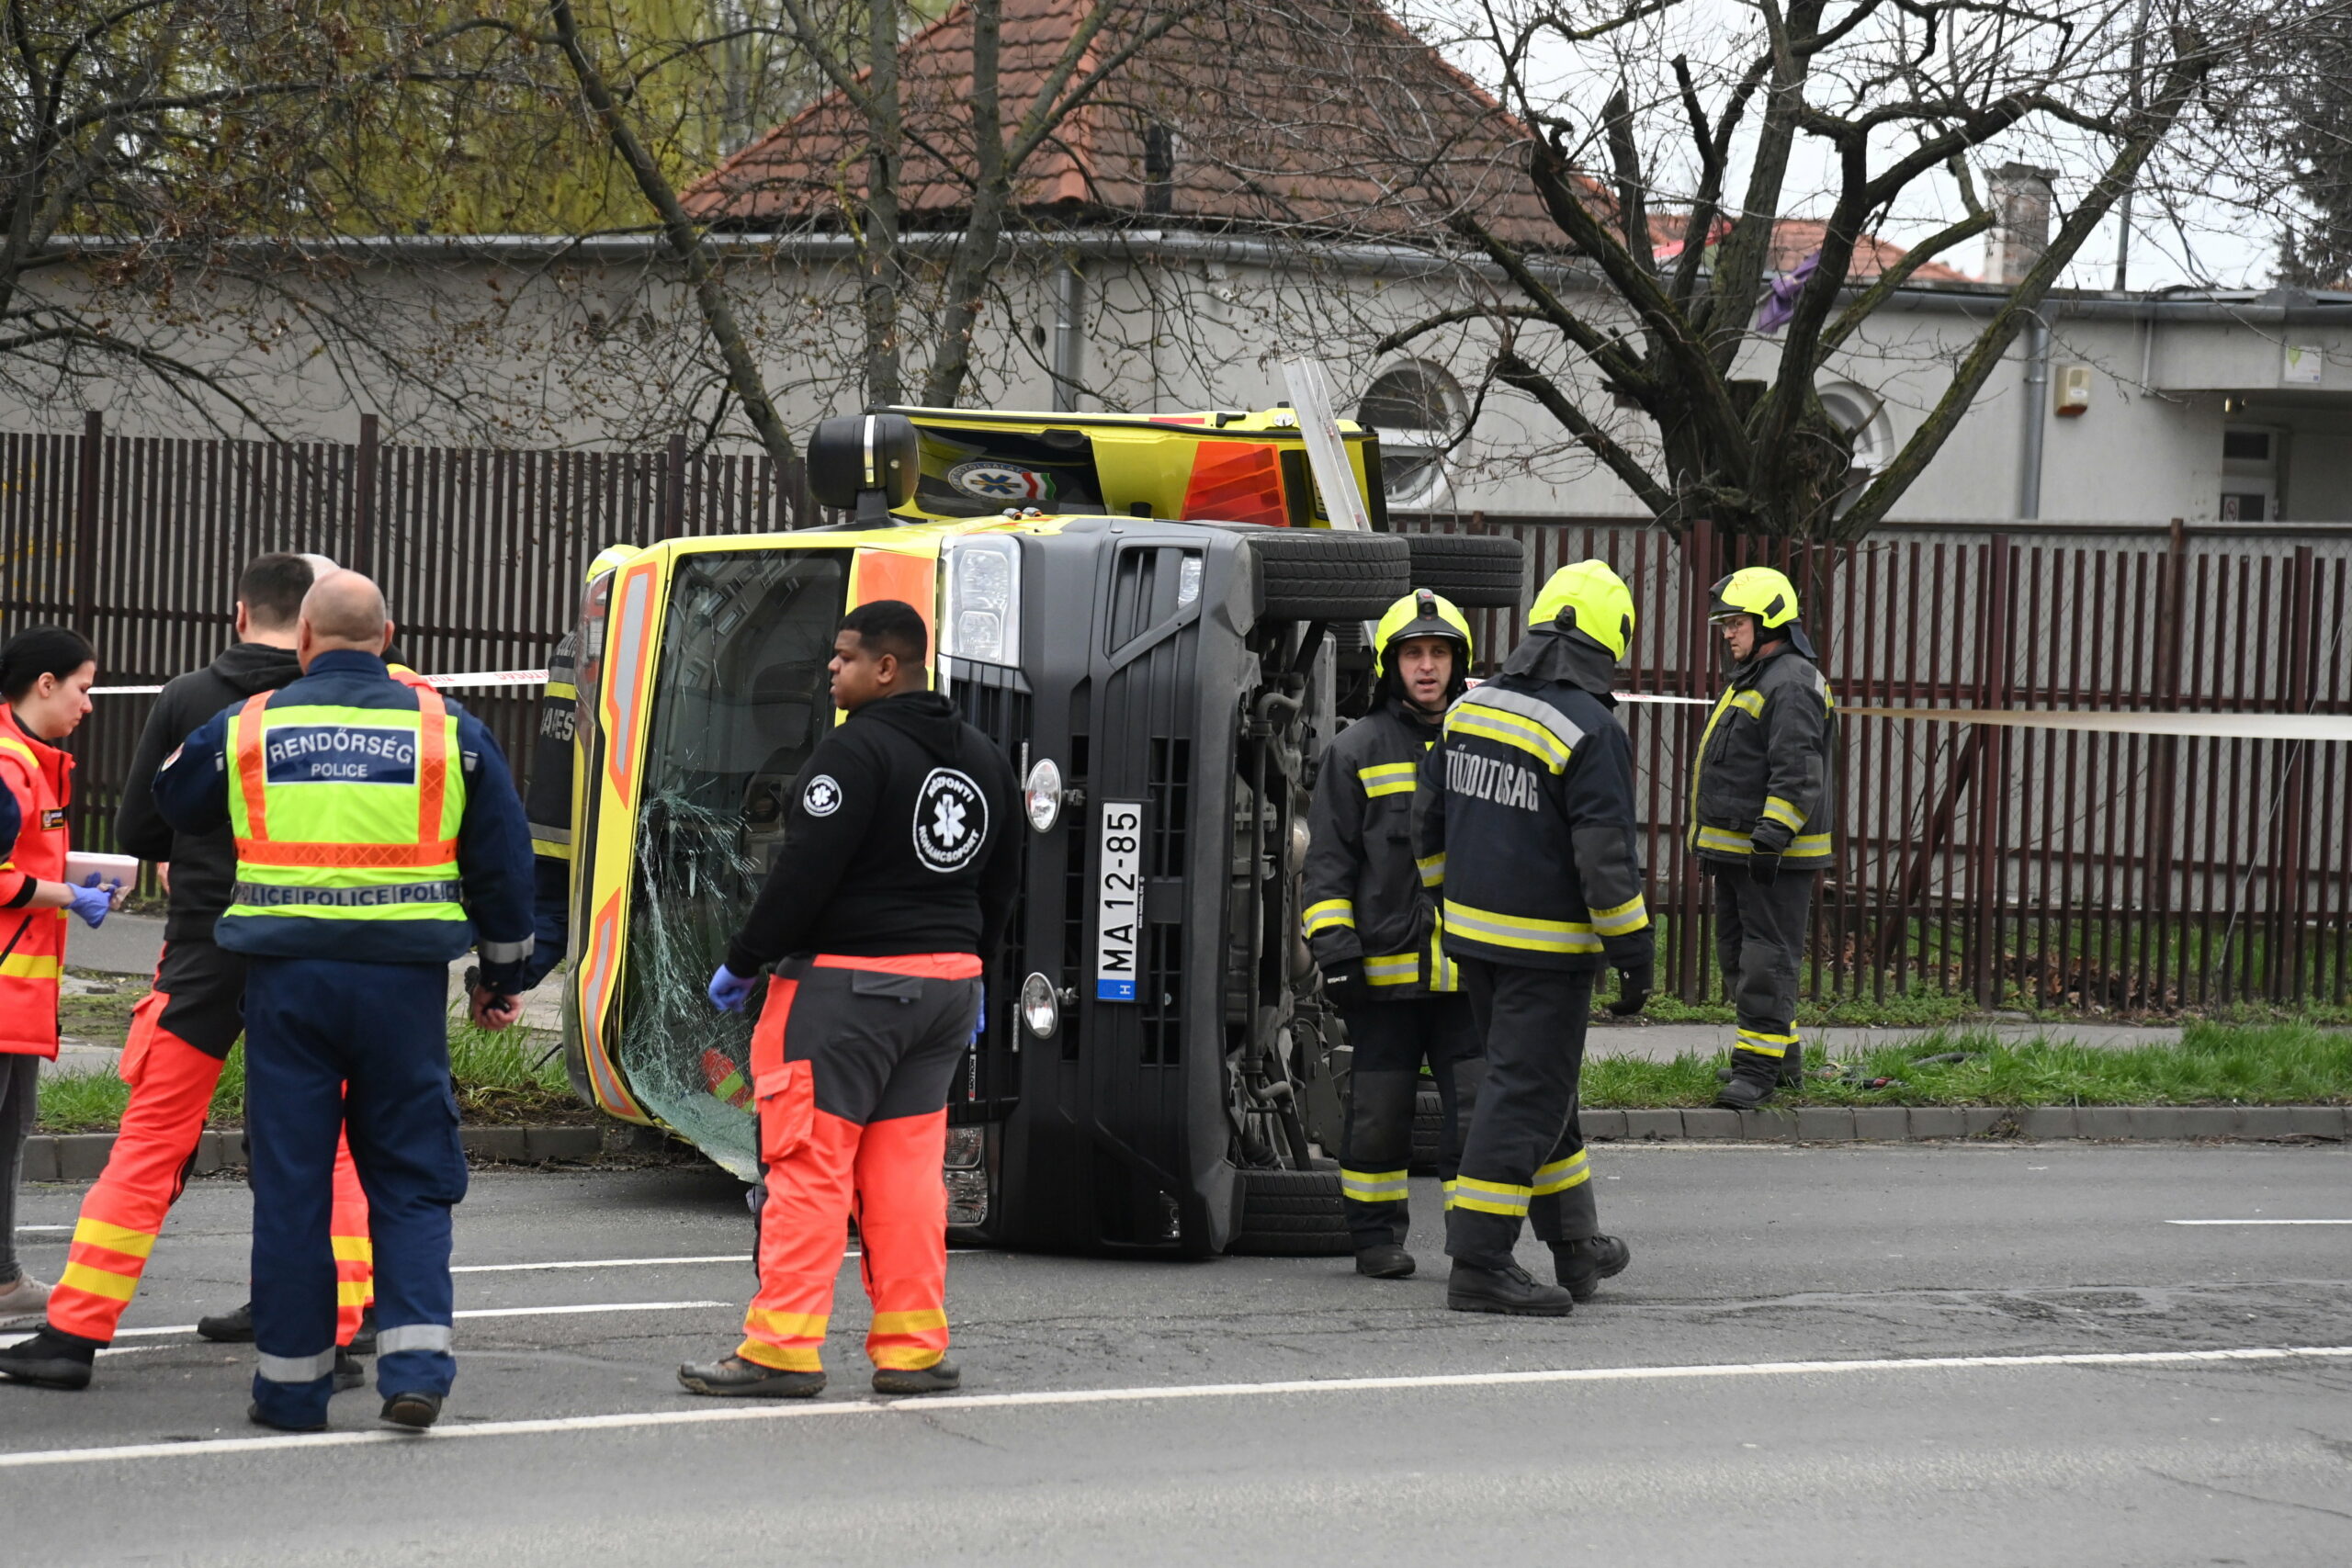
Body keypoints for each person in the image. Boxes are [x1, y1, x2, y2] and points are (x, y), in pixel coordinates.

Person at [151, 570, 535, 1432]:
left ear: (306, 641)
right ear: (388, 634)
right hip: (401, 992)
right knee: (409, 1178)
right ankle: (416, 1370)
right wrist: (499, 976)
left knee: (293, 1187)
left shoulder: (250, 724)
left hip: (286, 989)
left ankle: (291, 1391)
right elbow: (505, 864)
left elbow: (172, 797)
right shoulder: (449, 731)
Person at [0, 556, 388, 1393]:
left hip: (207, 950)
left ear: (239, 611)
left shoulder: (190, 698)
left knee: (150, 1143)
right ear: (316, 625)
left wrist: (193, 853)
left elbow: (143, 822)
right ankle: (337, 1329)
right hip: (315, 956)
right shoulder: (373, 705)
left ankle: (71, 1336)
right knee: (331, 1150)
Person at [681, 599, 1017, 1400]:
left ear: (887, 667)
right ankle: (911, 1349)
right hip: (945, 991)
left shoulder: (851, 754)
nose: (831, 668)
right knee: (905, 1174)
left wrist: (744, 960)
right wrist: (975, 968)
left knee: (807, 1167)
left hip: (844, 991)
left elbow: (803, 873)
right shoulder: (984, 759)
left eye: (843, 656)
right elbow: (1002, 883)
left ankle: (782, 1349)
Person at [1417, 561, 1649, 1316]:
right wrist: (1634, 956)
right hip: (1546, 956)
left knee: (1544, 1091)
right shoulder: (1592, 729)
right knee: (1524, 1093)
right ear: (1606, 639)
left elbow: (1427, 828)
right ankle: (1480, 1260)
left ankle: (1574, 1244)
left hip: (1473, 943)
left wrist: (1448, 902)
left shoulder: (1468, 710)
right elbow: (1604, 864)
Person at [1303, 590, 1484, 1280]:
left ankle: (1476, 1239)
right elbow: (1327, 864)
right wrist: (1338, 952)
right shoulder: (1355, 749)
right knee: (1378, 1115)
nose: (1428, 667)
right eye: (1414, 653)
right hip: (1379, 974)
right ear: (1391, 665)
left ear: (1458, 662)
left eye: (1440, 653)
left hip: (1466, 973)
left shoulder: (1482, 742)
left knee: (1475, 1115)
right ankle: (1376, 1238)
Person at [1689, 566, 1837, 1111]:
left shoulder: (1790, 681)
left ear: (1769, 620)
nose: (1727, 632)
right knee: (1742, 959)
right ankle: (1786, 1062)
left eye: (1736, 621)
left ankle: (1755, 1075)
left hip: (1771, 857)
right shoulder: (1760, 675)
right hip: (1740, 854)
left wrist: (1771, 838)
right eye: (1725, 623)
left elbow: (1796, 771)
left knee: (1763, 965)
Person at [0, 627, 114, 1332]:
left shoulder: (31, 763)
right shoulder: (10, 766)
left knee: (12, 1130)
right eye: (83, 686)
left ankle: (4, 1277)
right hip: (7, 984)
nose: (90, 703)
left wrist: (71, 883)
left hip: (16, 992)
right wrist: (70, 895)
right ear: (45, 684)